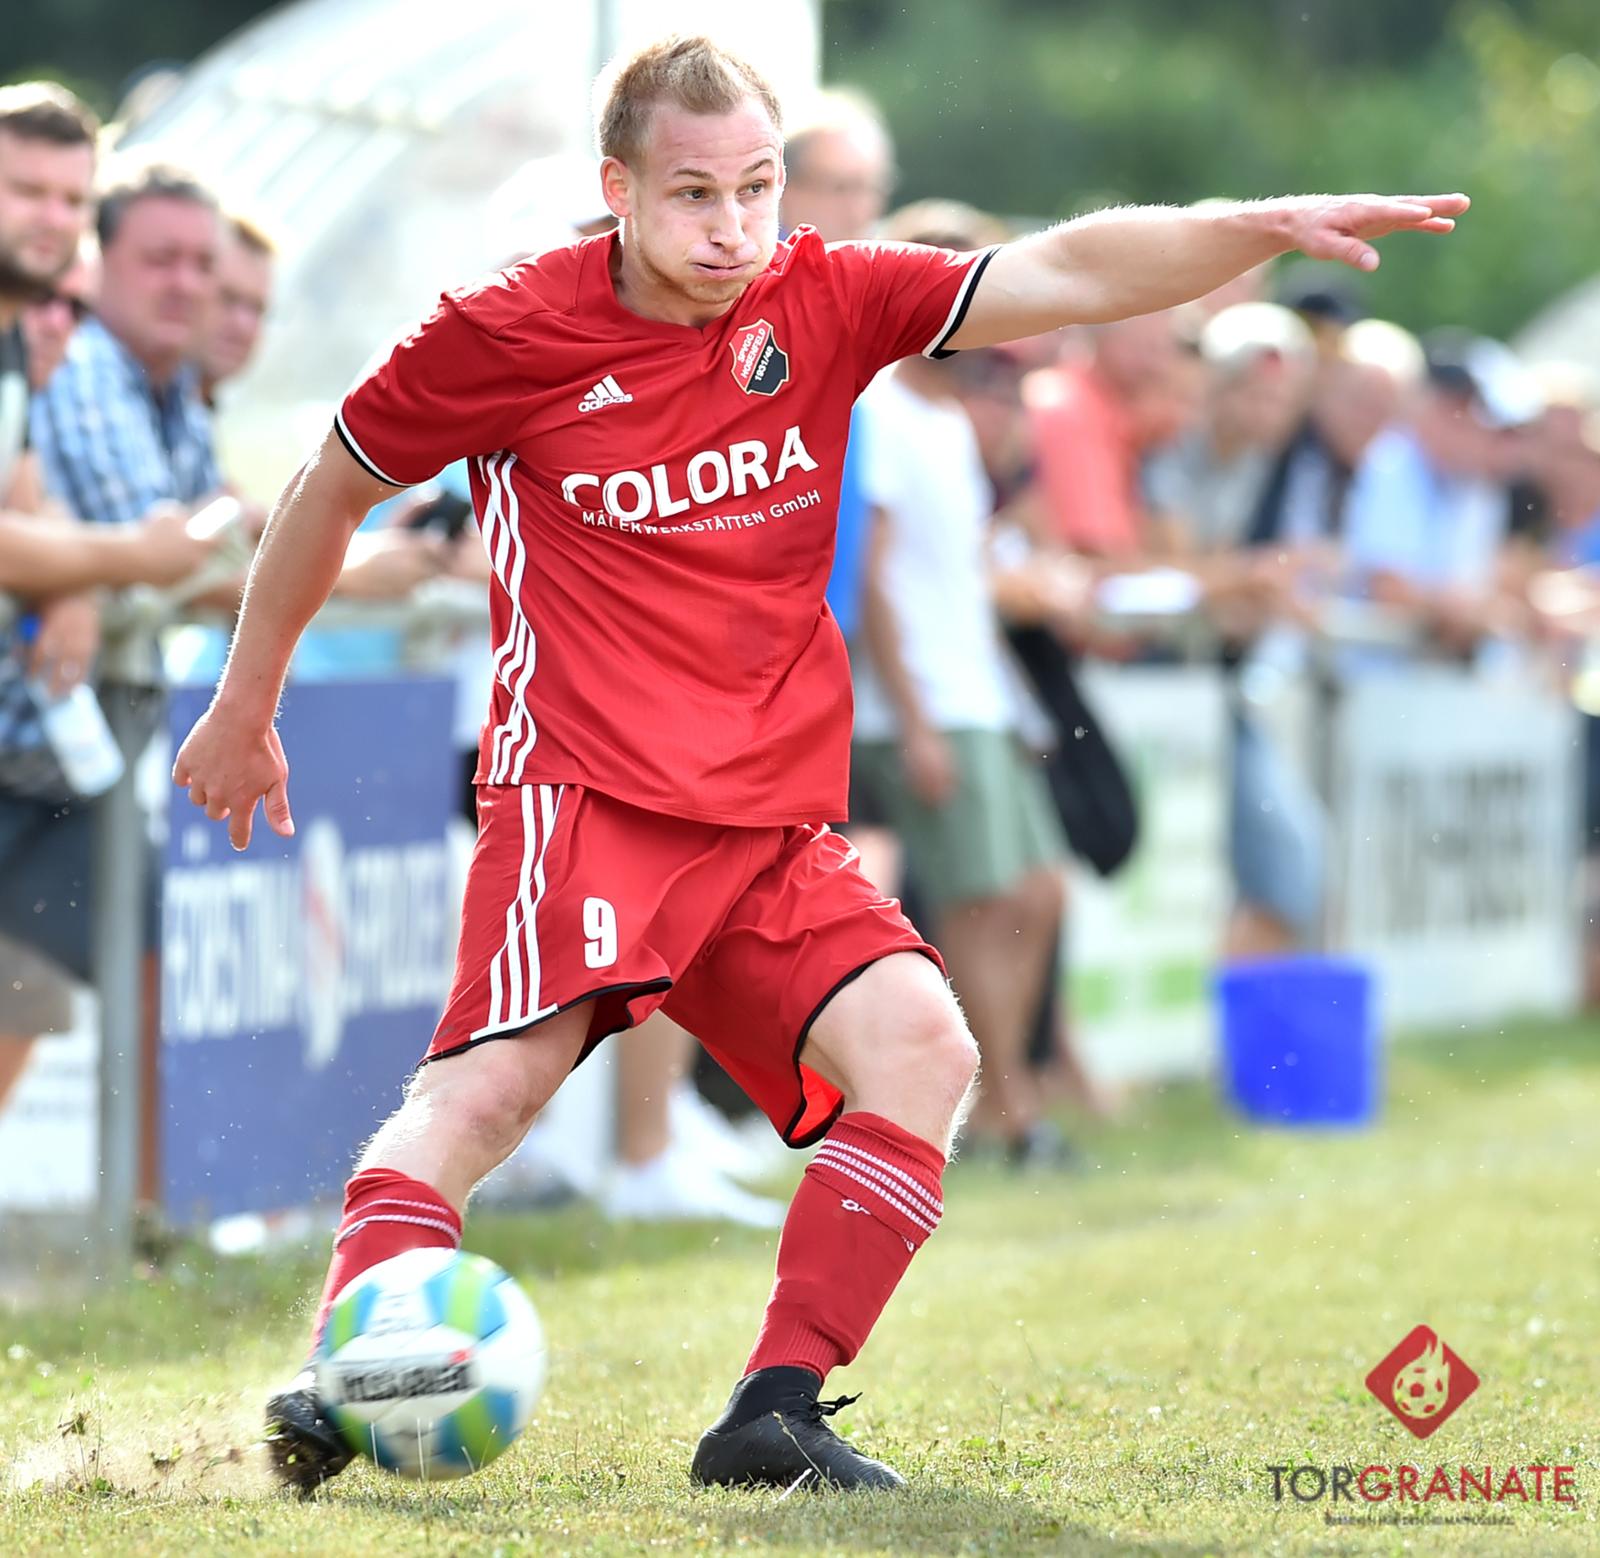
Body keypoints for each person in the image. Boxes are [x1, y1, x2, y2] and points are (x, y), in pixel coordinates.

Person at [172, 33, 1466, 1494]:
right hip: (591, 795)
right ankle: (346, 1367)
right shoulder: (506, 329)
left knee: (925, 1050)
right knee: (486, 1098)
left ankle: (772, 1412)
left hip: (769, 820)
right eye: (694, 195)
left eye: (758, 187)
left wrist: (1253, 227)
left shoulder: (826, 294)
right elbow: (329, 484)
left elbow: (1065, 269)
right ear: (618, 191)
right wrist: (246, 701)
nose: (733, 228)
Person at [0, 85, 214, 1116]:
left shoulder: (20, 347)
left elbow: (22, 498)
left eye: (70, 198)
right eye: (25, 191)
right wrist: (122, 555)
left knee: (25, 988)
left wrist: (73, 574)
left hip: (27, 754)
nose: (52, 218)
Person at [850, 199, 1069, 1165]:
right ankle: (1009, 1109)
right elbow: (872, 579)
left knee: (1037, 892)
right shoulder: (878, 412)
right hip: (925, 705)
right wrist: (916, 719)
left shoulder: (943, 417)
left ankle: (999, 1099)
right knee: (981, 902)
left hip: (974, 696)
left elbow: (953, 572)